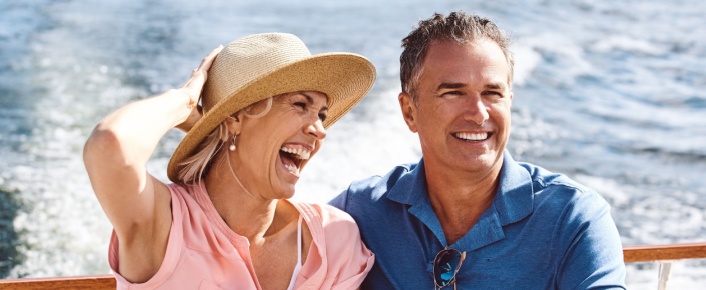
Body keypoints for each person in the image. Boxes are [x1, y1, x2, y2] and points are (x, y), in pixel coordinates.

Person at [330, 11, 627, 289]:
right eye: (454, 93)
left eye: (492, 93)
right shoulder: (357, 211)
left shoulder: (574, 218)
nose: (478, 113)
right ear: (409, 112)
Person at [84, 33, 376, 289]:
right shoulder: (164, 224)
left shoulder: (333, 238)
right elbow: (110, 145)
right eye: (300, 105)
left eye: (322, 115)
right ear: (236, 118)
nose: (320, 129)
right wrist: (184, 102)